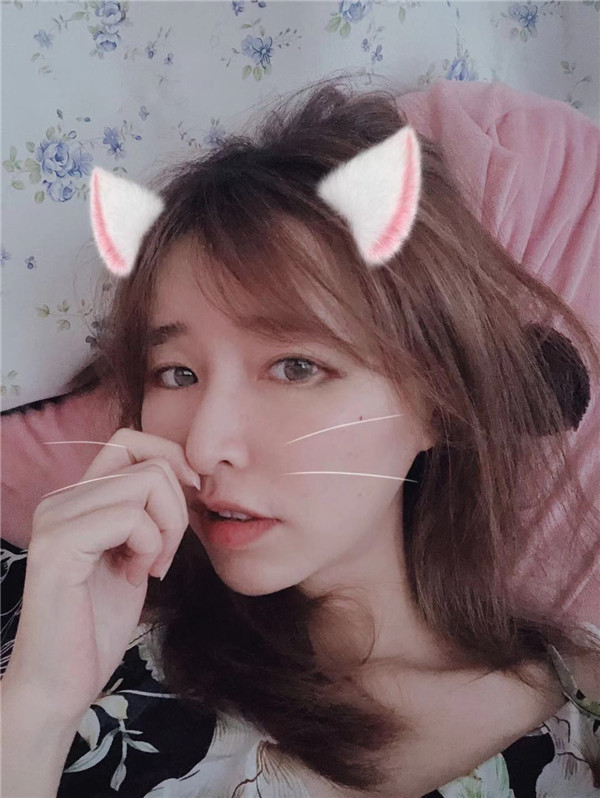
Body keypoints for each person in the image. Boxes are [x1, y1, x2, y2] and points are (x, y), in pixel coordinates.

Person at [2, 74, 600, 797]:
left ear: (438, 401)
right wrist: (37, 709)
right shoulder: (45, 616)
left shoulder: (580, 717)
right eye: (177, 373)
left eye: (295, 367)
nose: (204, 447)